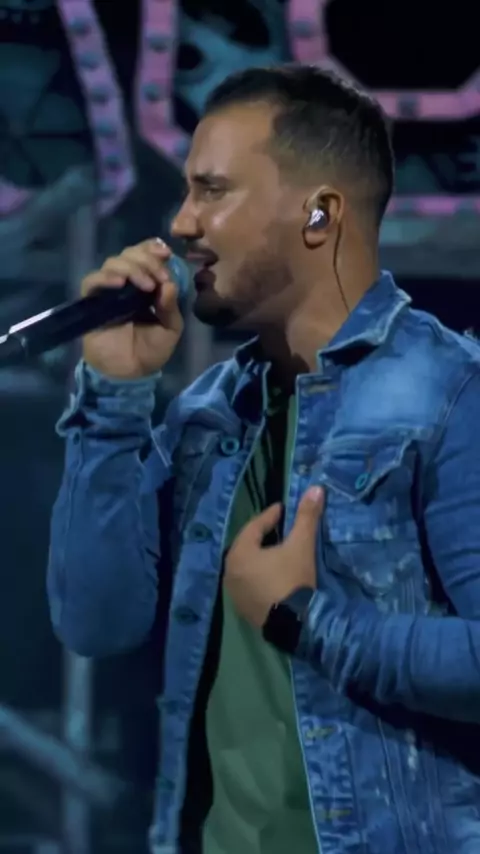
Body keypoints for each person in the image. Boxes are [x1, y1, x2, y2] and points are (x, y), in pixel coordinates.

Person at [47, 63, 480, 854]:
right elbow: (96, 622)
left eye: (212, 191)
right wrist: (113, 397)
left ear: (320, 213)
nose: (181, 223)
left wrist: (306, 620)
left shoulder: (449, 395)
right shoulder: (208, 413)